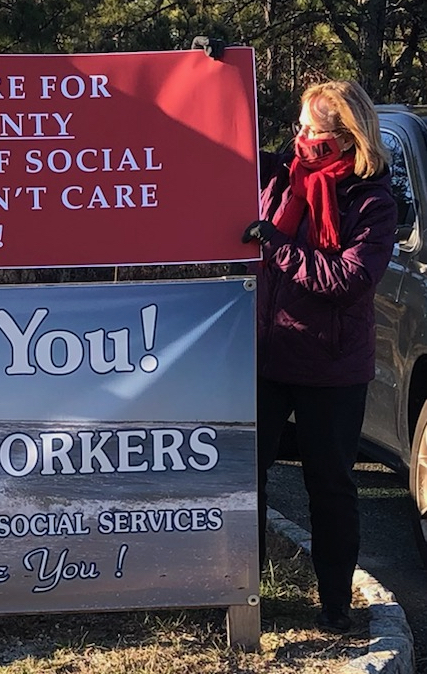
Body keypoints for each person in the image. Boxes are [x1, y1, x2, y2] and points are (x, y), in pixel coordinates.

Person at [243, 80, 397, 633]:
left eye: (313, 129)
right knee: (246, 479)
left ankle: (334, 604)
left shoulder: (372, 200)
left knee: (329, 486)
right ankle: (248, 596)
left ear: (347, 135)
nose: (301, 137)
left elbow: (348, 280)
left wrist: (275, 245)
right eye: (300, 126)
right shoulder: (280, 174)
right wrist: (201, 70)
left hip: (332, 369)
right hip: (266, 356)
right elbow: (214, 148)